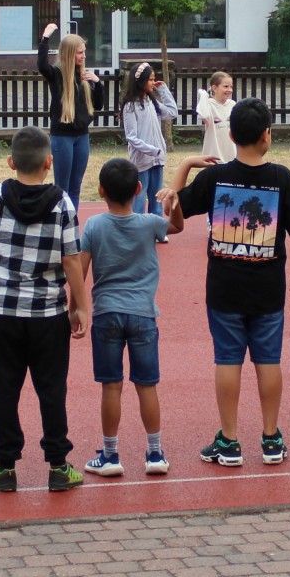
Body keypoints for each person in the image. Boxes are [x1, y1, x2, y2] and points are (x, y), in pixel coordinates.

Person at [162, 98, 290, 469]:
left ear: (229, 135)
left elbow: (174, 208)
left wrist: (183, 166)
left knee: (227, 359)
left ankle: (229, 440)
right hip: (268, 287)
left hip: (224, 287)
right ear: (267, 136)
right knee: (268, 359)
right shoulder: (283, 179)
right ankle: (271, 436)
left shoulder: (214, 178)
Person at [0, 128, 88, 494]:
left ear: (10, 162)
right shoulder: (63, 204)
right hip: (47, 313)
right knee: (51, 389)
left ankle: (5, 467)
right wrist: (79, 306)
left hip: (3, 313)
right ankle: (58, 463)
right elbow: (72, 260)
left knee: (4, 389)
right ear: (49, 163)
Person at [80, 158, 180, 478]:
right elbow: (176, 226)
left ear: (100, 191)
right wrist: (173, 203)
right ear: (138, 189)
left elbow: (79, 271)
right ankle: (154, 452)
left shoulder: (94, 226)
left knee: (111, 386)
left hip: (107, 312)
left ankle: (110, 454)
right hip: (143, 314)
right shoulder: (150, 222)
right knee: (146, 385)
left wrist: (76, 308)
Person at [38, 23, 106, 207]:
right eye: (79, 53)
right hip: (62, 137)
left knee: (76, 187)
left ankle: (71, 226)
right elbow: (42, 66)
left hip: (82, 135)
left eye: (84, 52)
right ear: (69, 53)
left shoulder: (85, 77)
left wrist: (98, 84)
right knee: (62, 187)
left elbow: (99, 105)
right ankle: (60, 226)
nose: (84, 56)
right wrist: (45, 38)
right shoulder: (57, 74)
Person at [120, 63, 179, 225]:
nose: (153, 82)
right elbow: (131, 137)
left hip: (157, 159)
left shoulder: (152, 102)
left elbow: (172, 112)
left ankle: (157, 227)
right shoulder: (131, 105)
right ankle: (137, 228)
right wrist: (151, 150)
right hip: (141, 160)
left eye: (154, 79)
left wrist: (164, 90)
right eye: (150, 79)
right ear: (140, 81)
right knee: (139, 196)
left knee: (157, 196)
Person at [197, 71, 238, 165]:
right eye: (226, 86)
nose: (230, 90)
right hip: (213, 157)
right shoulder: (208, 104)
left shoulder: (232, 105)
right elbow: (203, 115)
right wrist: (203, 96)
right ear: (215, 88)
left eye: (231, 87)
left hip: (232, 156)